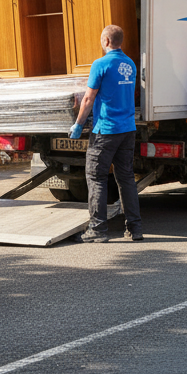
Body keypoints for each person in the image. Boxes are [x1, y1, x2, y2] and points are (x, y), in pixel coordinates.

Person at [69, 25, 143, 243]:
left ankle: (98, 229)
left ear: (106, 41)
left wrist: (79, 123)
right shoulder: (129, 64)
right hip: (127, 129)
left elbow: (88, 98)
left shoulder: (100, 64)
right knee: (126, 178)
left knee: (96, 176)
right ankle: (135, 229)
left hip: (106, 129)